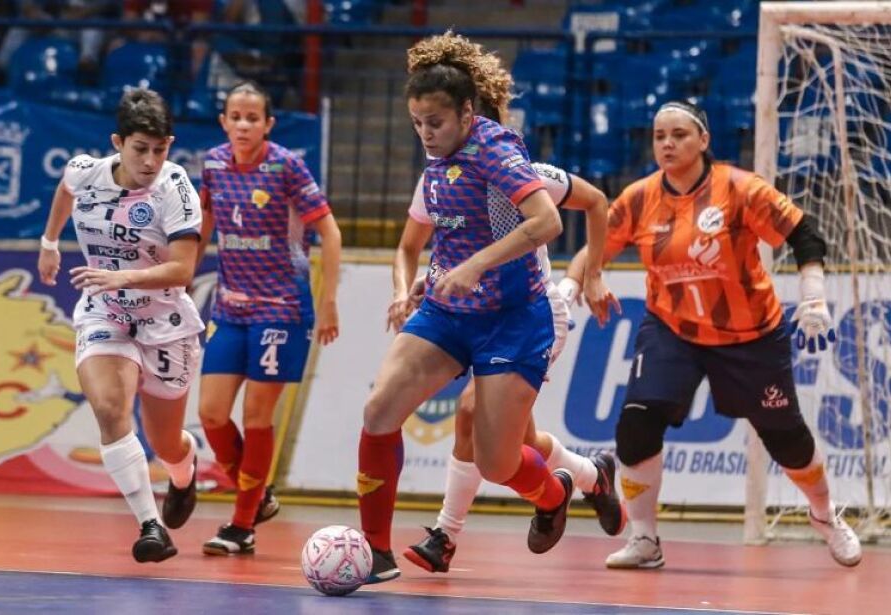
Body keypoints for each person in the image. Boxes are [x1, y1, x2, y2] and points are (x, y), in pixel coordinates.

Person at [358, 32, 615, 585]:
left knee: (498, 461)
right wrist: (407, 291)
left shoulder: (498, 152)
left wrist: (476, 265)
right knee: (379, 410)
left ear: (468, 113)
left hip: (515, 317)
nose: (426, 134)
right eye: (417, 123)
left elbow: (548, 223)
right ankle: (375, 552)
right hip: (449, 313)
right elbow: (414, 244)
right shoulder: (436, 164)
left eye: (437, 123)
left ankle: (557, 490)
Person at [563, 99, 861, 569]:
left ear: (703, 140)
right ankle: (644, 539)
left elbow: (807, 235)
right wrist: (570, 287)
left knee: (787, 439)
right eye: (659, 136)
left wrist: (814, 295)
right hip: (672, 330)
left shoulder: (741, 189)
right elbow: (591, 248)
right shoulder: (639, 197)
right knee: (637, 423)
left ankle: (824, 514)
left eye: (679, 134)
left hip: (750, 335)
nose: (667, 143)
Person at [37, 88, 203, 563]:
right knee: (111, 410)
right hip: (105, 312)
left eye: (160, 148)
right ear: (118, 142)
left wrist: (122, 275)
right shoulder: (86, 171)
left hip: (165, 321)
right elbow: (64, 191)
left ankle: (183, 471)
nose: (150, 161)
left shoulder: (176, 188)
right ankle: (151, 527)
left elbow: (183, 269)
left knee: (166, 442)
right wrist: (50, 242)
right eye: (140, 149)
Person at [196, 80, 341, 556]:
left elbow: (329, 231)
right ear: (223, 121)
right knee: (212, 413)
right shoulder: (214, 164)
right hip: (230, 308)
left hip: (281, 308)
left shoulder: (286, 166)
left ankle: (242, 525)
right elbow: (204, 226)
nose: (243, 125)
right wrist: (180, 274)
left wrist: (329, 301)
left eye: (252, 117)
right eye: (235, 116)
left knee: (257, 415)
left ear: (268, 124)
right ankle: (259, 495)